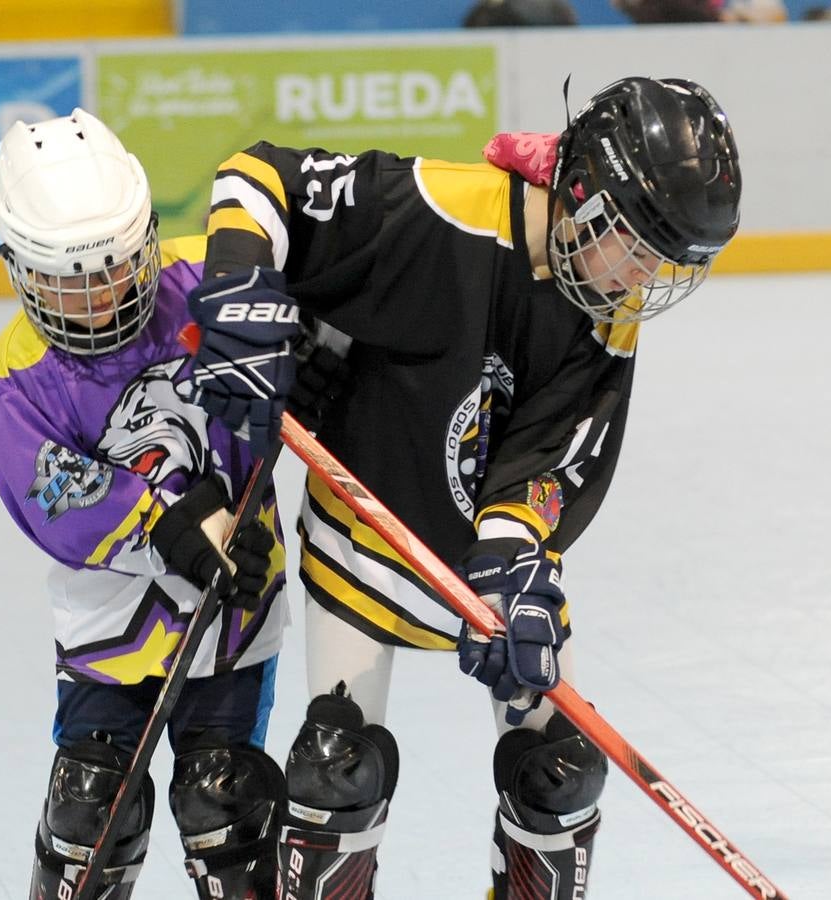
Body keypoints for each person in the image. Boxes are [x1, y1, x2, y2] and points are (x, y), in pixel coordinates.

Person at [182, 76, 741, 899]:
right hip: (366, 531)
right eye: (635, 243)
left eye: (665, 261)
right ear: (581, 192)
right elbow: (258, 177)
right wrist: (240, 283)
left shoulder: (606, 307)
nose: (641, 276)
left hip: (481, 550)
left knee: (559, 771)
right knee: (336, 767)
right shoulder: (442, 210)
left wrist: (516, 565)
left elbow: (548, 455)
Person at [0, 108, 291, 900]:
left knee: (226, 801)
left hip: (233, 604)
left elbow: (286, 359)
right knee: (89, 814)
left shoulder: (213, 286)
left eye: (115, 267)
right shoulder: (15, 379)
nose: (98, 297)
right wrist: (168, 526)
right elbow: (58, 496)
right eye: (66, 280)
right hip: (110, 621)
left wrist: (309, 369)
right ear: (17, 268)